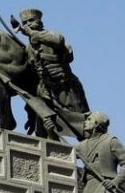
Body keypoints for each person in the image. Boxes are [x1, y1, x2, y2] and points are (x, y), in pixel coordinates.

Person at [16, 8, 90, 139]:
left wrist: (33, 34)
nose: (28, 24)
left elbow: (58, 42)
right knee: (45, 121)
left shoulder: (52, 35)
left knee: (82, 123)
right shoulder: (29, 48)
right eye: (25, 22)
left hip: (64, 85)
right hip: (45, 88)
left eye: (31, 21)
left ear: (39, 21)